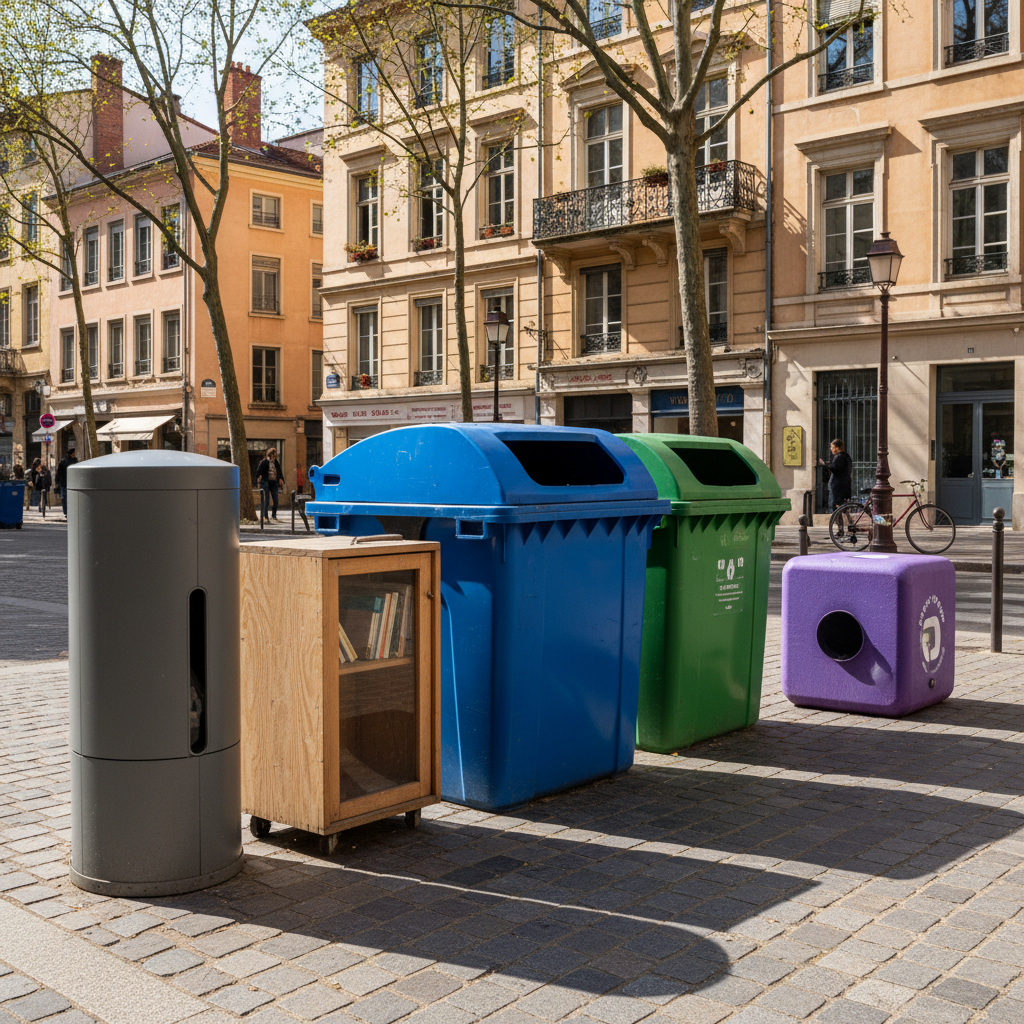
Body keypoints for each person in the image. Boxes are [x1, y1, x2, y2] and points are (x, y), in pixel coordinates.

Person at [819, 439, 853, 512]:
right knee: (841, 506)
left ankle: (838, 522)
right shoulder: (845, 456)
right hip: (844, 485)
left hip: (838, 486)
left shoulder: (840, 457)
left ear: (837, 448)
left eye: (832, 447)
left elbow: (835, 468)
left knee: (835, 505)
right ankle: (843, 521)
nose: (831, 449)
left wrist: (824, 464)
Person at [255, 446, 283, 521]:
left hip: (274, 482)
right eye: (271, 456)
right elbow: (258, 472)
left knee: (276, 499)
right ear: (268, 455)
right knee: (266, 498)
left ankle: (274, 515)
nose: (272, 458)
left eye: (274, 456)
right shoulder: (264, 462)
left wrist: (280, 479)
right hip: (266, 482)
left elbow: (279, 472)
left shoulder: (276, 462)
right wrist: (259, 479)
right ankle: (265, 515)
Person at [55, 443, 78, 518]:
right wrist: (57, 481)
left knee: (70, 498)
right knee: (64, 497)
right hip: (64, 483)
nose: (75, 454)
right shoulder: (63, 461)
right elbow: (59, 472)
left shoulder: (75, 461)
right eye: (74, 453)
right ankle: (66, 512)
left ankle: (70, 511)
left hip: (72, 482)